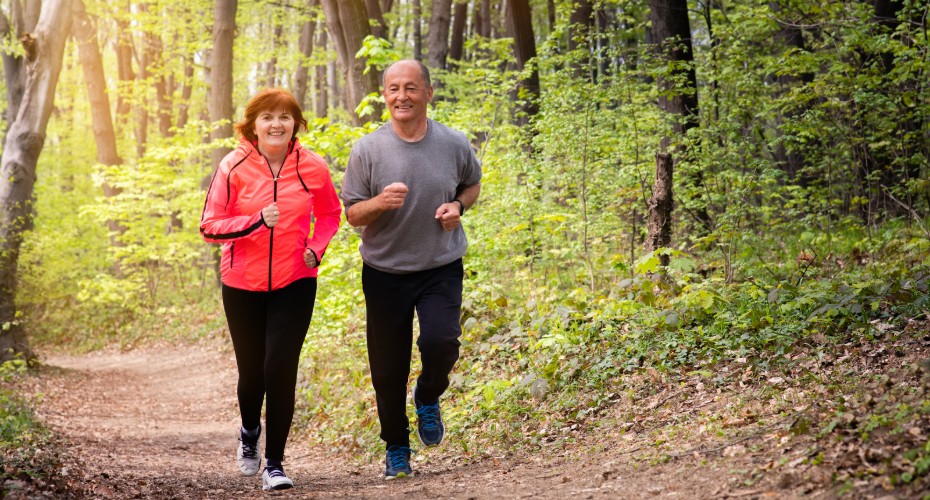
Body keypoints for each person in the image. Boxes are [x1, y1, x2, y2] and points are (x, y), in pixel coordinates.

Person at [341, 59, 482, 480]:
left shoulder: (453, 143)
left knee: (442, 342)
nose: (401, 96)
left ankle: (427, 394)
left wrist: (457, 206)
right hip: (384, 271)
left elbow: (471, 184)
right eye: (393, 89)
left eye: (411, 88)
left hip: (440, 264)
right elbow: (352, 213)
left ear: (428, 92)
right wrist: (379, 204)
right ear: (384, 95)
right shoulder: (367, 149)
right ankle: (397, 448)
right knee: (387, 367)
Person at [200, 88, 341, 491]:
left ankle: (275, 464)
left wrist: (316, 247)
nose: (276, 124)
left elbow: (331, 213)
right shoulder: (234, 165)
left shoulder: (312, 166)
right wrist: (256, 220)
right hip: (242, 283)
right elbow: (210, 225)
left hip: (295, 280)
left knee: (280, 368)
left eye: (285, 116)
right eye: (267, 117)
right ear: (253, 125)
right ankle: (248, 432)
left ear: (296, 123)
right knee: (253, 373)